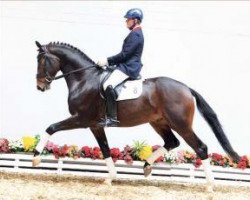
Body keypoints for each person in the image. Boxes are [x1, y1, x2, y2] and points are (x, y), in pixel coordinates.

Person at [96, 8, 144, 127]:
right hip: (125, 65)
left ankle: (112, 118)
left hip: (129, 67)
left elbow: (125, 55)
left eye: (128, 19)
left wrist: (107, 61)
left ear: (136, 20)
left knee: (108, 85)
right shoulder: (134, 33)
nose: (126, 21)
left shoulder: (136, 35)